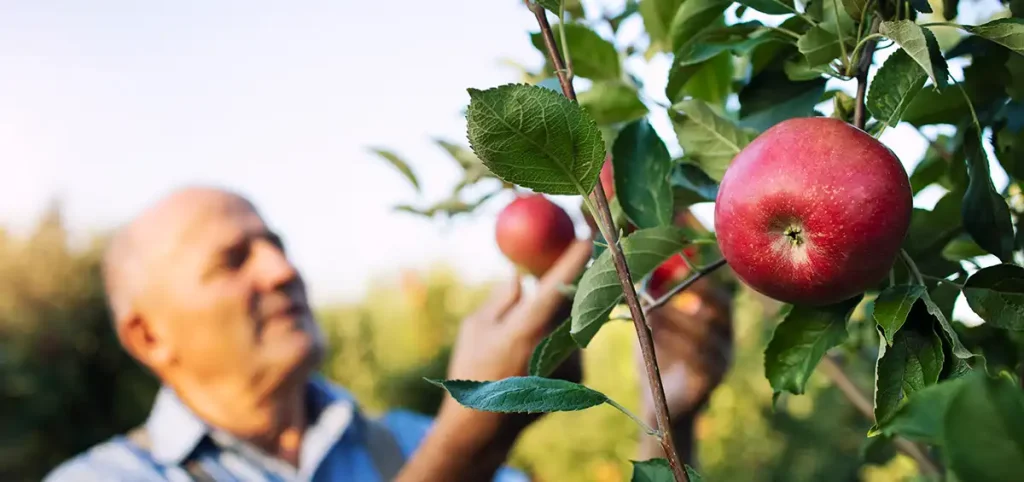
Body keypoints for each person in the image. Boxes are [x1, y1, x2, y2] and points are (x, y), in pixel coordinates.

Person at [43, 185, 732, 481]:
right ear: (148, 335)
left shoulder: (401, 440)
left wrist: (665, 416)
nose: (282, 269)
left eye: (276, 243)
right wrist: (462, 452)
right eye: (233, 259)